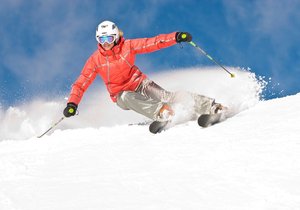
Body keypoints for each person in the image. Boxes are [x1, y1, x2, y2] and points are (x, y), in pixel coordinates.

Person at [63, 20, 224, 129]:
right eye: (102, 39)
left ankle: (211, 106)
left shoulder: (128, 46)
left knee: (167, 97)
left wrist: (175, 37)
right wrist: (72, 104)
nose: (106, 43)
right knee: (127, 97)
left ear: (116, 37)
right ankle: (162, 112)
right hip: (120, 94)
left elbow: (152, 43)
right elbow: (81, 83)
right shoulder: (95, 60)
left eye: (109, 38)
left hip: (139, 82)